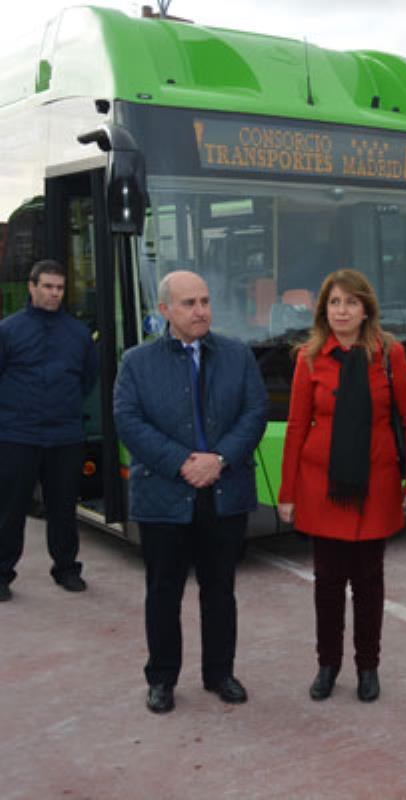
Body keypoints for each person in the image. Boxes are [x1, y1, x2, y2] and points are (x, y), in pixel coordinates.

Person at [114, 270, 267, 714]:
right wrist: (183, 462)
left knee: (220, 589)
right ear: (165, 310)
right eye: (189, 303)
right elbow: (128, 421)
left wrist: (219, 459)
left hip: (224, 492)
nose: (200, 311)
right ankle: (162, 679)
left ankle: (220, 673)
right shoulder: (136, 362)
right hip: (164, 495)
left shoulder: (237, 355)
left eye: (204, 301)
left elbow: (255, 412)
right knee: (163, 592)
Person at [278, 269, 406, 704]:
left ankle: (368, 667)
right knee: (326, 582)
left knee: (369, 582)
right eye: (334, 303)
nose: (342, 311)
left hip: (375, 487)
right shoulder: (308, 358)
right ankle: (327, 665)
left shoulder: (390, 354)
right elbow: (297, 426)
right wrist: (287, 493)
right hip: (321, 488)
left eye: (351, 302)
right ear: (324, 310)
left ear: (366, 309)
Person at [0, 260, 98, 601]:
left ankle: (67, 570)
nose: (55, 293)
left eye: (59, 288)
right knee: (10, 509)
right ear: (32, 286)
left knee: (63, 508)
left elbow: (87, 378)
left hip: (65, 436)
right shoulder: (8, 331)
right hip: (17, 435)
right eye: (48, 287)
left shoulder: (78, 333)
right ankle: (2, 575)